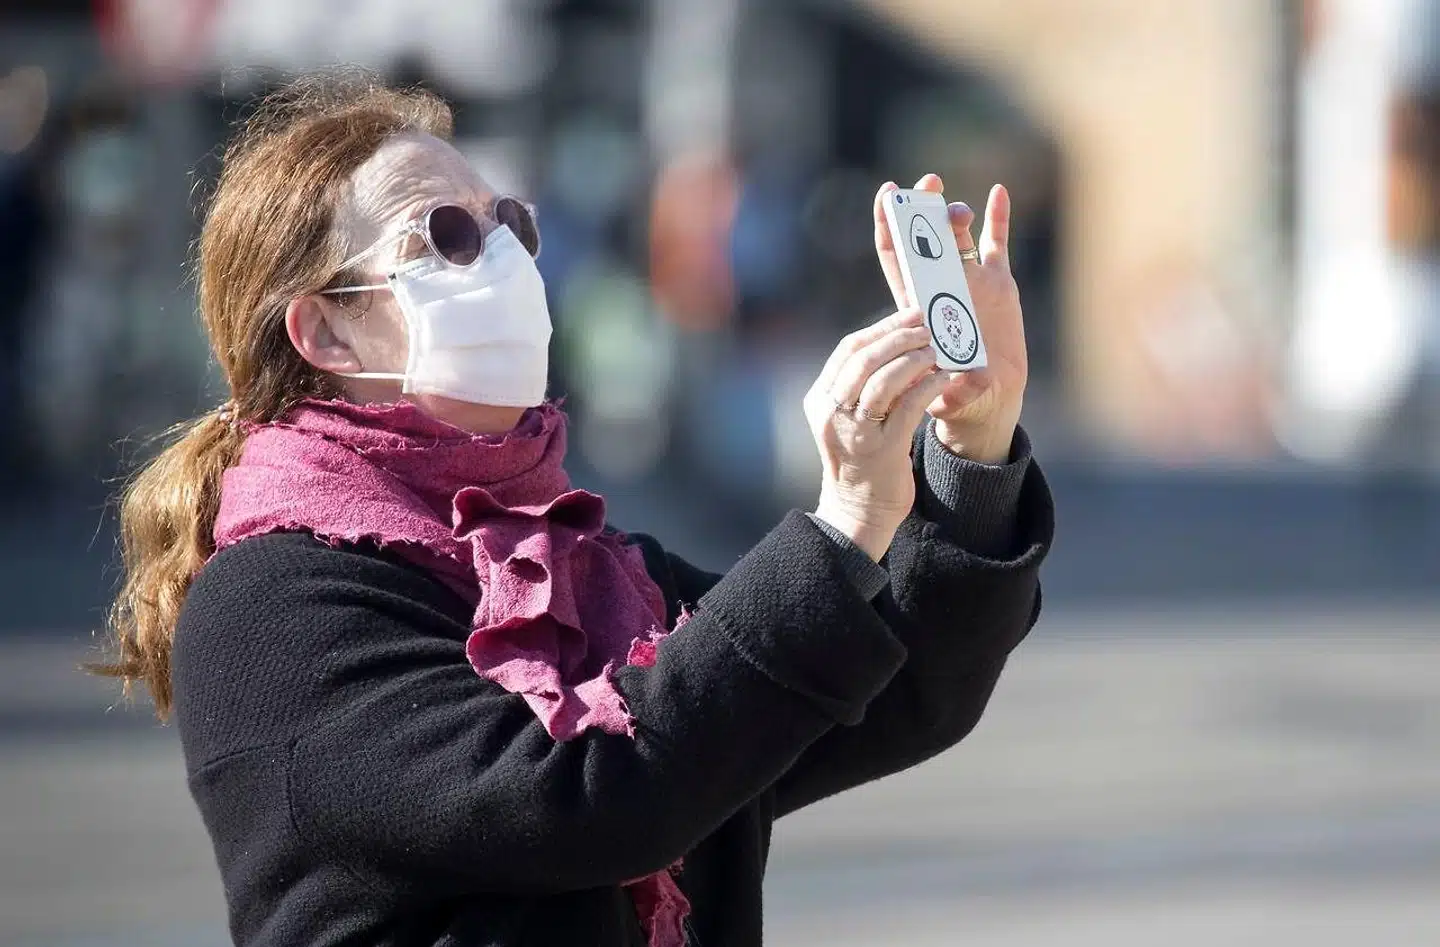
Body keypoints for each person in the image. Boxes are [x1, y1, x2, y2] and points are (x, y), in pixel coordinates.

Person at [95, 72, 1052, 947]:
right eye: (448, 236)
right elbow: (572, 798)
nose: (504, 257)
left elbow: (898, 687)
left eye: (509, 223)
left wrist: (974, 444)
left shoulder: (598, 570)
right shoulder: (270, 601)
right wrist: (841, 525)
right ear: (326, 332)